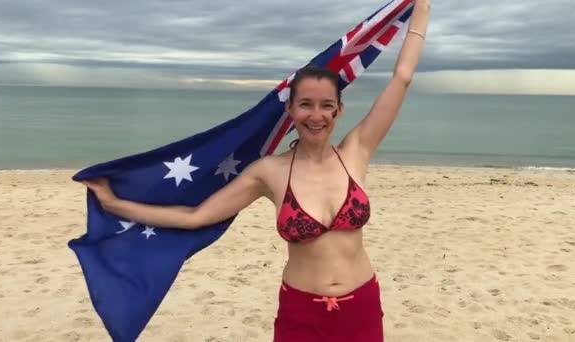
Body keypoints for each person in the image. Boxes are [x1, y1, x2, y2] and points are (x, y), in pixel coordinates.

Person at [83, 2, 429, 340]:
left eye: (326, 105)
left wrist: (422, 7)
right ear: (291, 110)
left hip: (362, 307)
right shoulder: (269, 172)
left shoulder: (357, 152)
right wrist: (115, 206)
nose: (316, 115)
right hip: (301, 311)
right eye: (305, 104)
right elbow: (196, 217)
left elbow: (402, 79)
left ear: (339, 110)